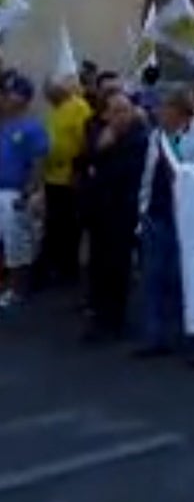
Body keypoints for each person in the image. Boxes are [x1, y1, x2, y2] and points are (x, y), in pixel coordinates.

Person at [136, 86, 194, 358]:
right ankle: (154, 336)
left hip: (189, 218)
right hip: (156, 214)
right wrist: (142, 210)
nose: (157, 113)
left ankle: (188, 336)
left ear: (178, 111)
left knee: (184, 278)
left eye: (163, 108)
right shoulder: (156, 136)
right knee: (153, 277)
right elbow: (148, 176)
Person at [81, 90, 148, 343]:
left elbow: (120, 172)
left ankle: (114, 321)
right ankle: (97, 315)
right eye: (115, 111)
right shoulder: (100, 135)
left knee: (116, 267)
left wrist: (101, 158)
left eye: (125, 110)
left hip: (122, 211)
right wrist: (98, 150)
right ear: (106, 114)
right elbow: (82, 162)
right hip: (98, 212)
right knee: (97, 266)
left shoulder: (138, 139)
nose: (121, 116)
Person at [0, 73, 50, 309]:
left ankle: (17, 289)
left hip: (14, 193)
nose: (4, 98)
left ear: (22, 99)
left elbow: (38, 163)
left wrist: (31, 192)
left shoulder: (31, 127)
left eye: (8, 94)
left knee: (16, 244)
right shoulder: (2, 125)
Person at [40, 75, 93, 287]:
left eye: (51, 92)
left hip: (71, 177)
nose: (48, 98)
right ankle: (56, 267)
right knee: (54, 224)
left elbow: (85, 142)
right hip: (52, 177)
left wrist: (78, 170)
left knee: (70, 225)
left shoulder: (78, 107)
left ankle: (70, 271)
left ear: (61, 91)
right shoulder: (52, 112)